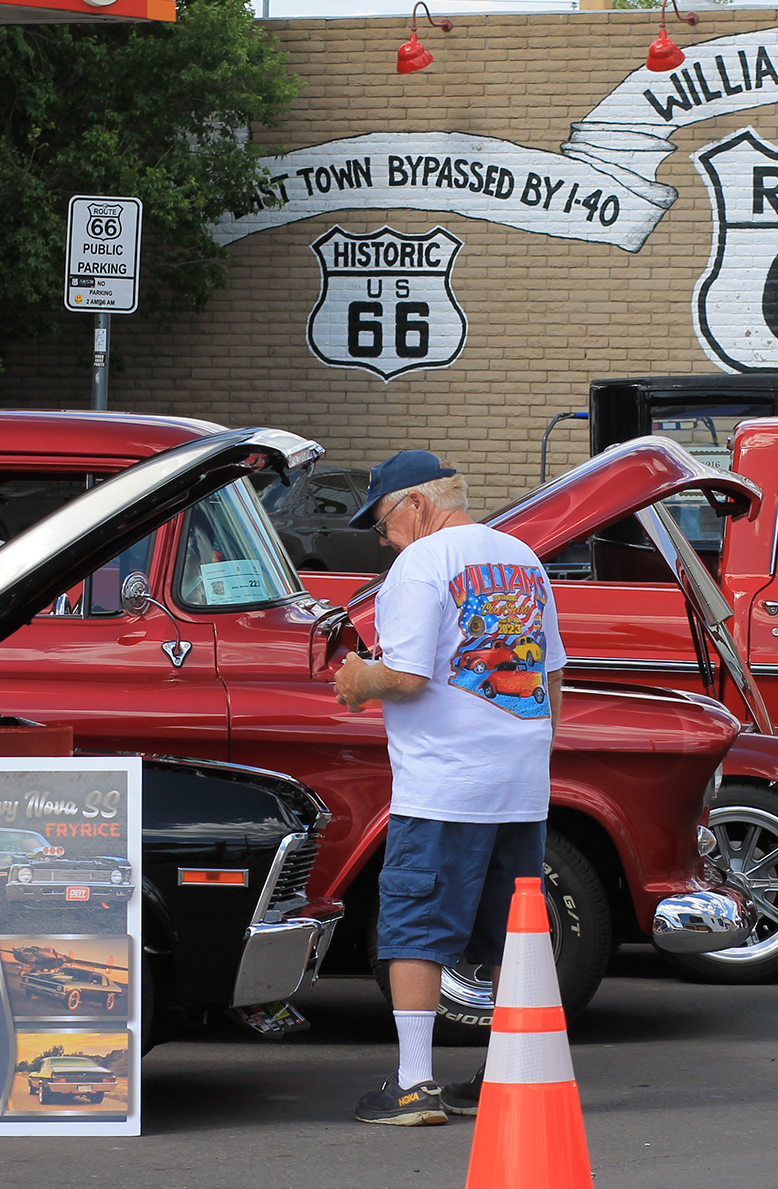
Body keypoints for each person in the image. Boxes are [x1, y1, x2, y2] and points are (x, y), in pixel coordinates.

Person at [332, 450, 565, 1127]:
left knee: (415, 925)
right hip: (520, 782)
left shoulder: (420, 563)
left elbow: (405, 677)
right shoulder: (523, 558)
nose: (384, 539)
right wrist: (529, 751)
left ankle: (414, 1084)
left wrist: (356, 678)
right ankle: (507, 1074)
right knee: (512, 935)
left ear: (415, 502)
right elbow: (551, 676)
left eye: (382, 522)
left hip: (445, 784)